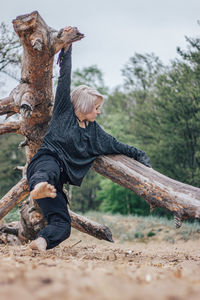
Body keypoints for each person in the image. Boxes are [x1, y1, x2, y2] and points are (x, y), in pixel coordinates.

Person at [27, 27, 150, 252]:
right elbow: (65, 78)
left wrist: (142, 158)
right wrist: (67, 47)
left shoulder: (95, 134)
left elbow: (120, 146)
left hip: (55, 186)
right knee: (49, 168)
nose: (99, 112)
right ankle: (37, 187)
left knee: (63, 226)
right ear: (84, 106)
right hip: (45, 165)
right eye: (97, 107)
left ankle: (39, 243)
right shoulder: (64, 111)